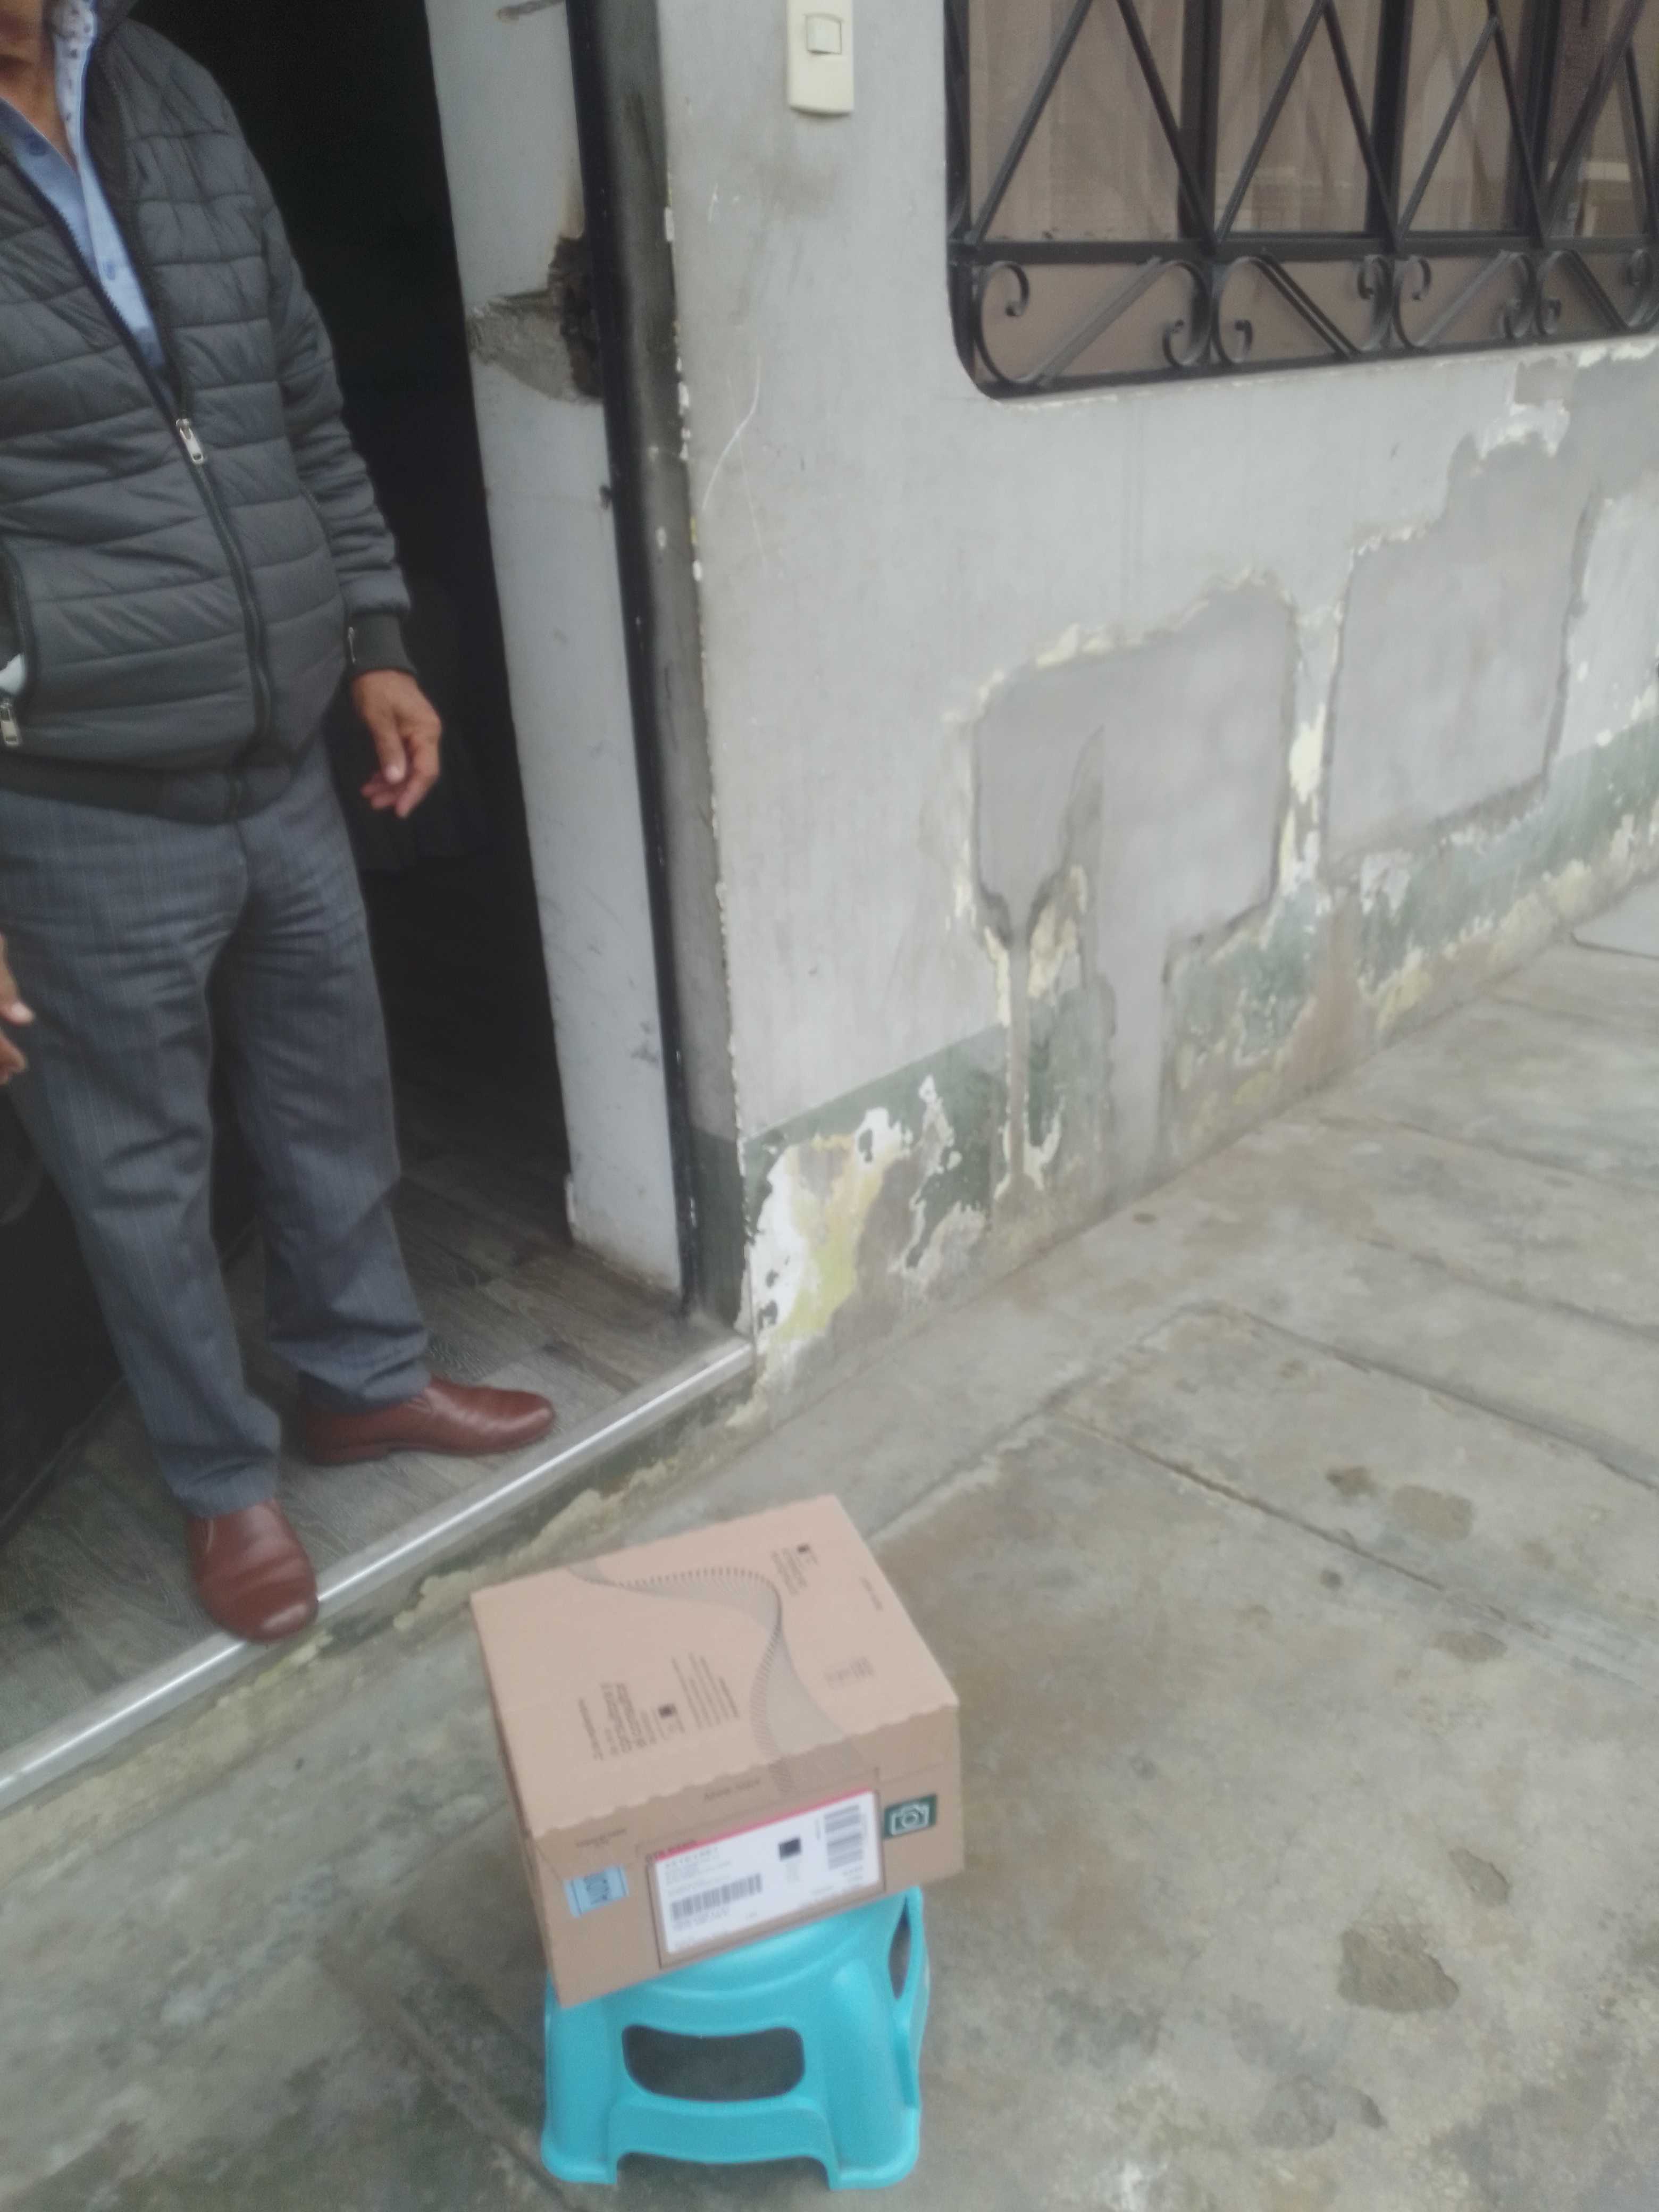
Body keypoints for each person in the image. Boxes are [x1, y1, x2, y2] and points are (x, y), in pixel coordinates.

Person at [0, 0, 555, 1644]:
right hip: (72, 789)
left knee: (329, 1089)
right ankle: (220, 1479)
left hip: (281, 752)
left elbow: (295, 401)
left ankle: (362, 1380)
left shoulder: (163, 84)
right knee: (136, 1170)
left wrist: (373, 640)